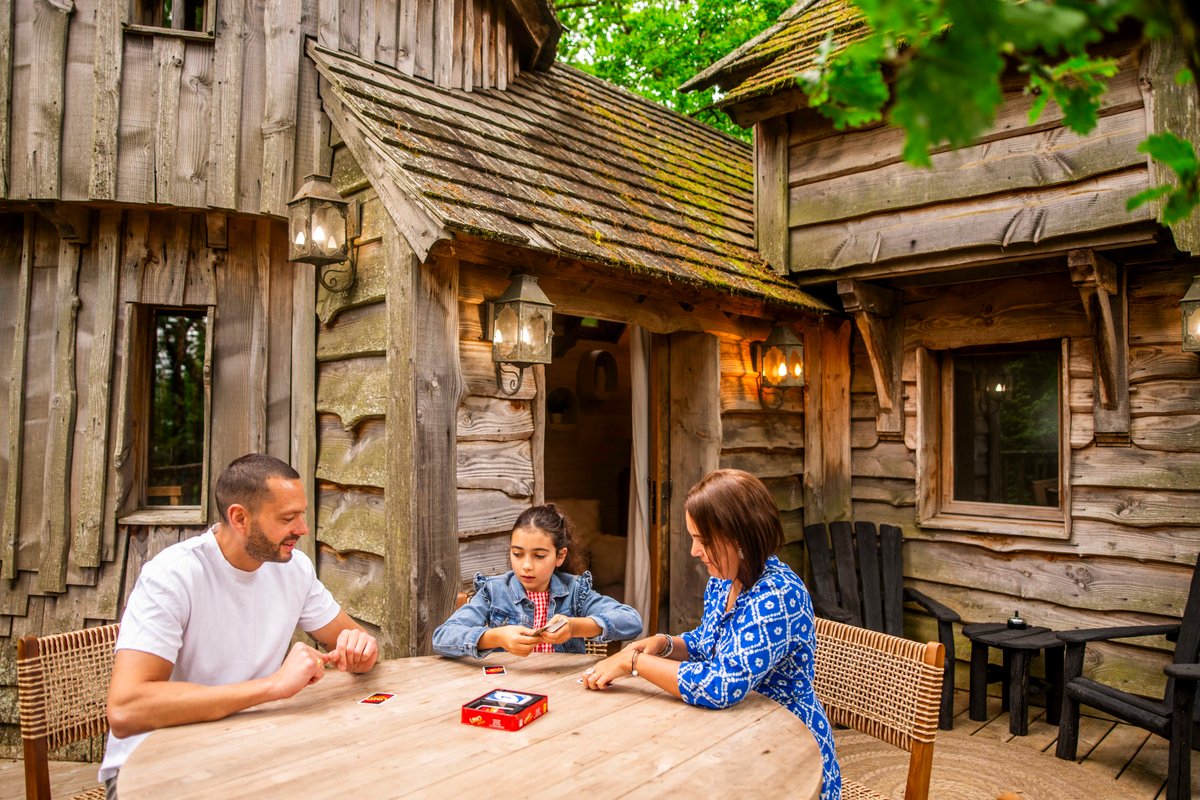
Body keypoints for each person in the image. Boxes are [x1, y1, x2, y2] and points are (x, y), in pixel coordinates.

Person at [100, 454, 379, 798]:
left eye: (302, 514)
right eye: (288, 518)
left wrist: (362, 651)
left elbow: (355, 642)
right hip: (152, 769)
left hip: (249, 749)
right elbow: (127, 709)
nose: (303, 529)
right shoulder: (172, 576)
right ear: (239, 518)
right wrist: (273, 685)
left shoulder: (293, 568)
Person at [583, 469, 842, 800]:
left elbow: (721, 685)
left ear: (739, 538)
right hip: (738, 730)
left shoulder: (778, 595)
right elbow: (707, 644)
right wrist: (663, 644)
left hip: (790, 750)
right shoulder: (723, 581)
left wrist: (634, 663)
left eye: (703, 540)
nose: (694, 551)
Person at [433, 503, 643, 658]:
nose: (526, 565)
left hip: (565, 690)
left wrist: (575, 627)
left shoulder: (576, 592)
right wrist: (496, 637)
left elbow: (632, 621)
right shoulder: (493, 592)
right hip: (507, 690)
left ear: (560, 556)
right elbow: (442, 637)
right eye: (517, 554)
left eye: (539, 556)